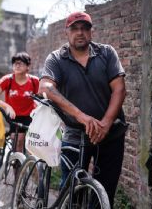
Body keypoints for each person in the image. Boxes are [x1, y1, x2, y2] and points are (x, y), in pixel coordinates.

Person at [39, 11, 127, 207]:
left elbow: (119, 89)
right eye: (75, 29)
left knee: (105, 192)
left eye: (84, 28)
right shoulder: (57, 58)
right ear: (67, 32)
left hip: (110, 134)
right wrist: (81, 116)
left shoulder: (106, 53)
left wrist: (104, 124)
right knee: (71, 191)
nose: (80, 33)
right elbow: (45, 87)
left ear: (91, 32)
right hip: (75, 134)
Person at [0, 52, 39, 153]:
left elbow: (41, 97)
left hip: (30, 116)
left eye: (20, 63)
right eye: (15, 63)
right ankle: (15, 165)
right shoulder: (8, 80)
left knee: (33, 145)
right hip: (13, 116)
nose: (17, 65)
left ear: (27, 66)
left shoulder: (34, 81)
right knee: (18, 141)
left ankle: (27, 164)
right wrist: (7, 106)